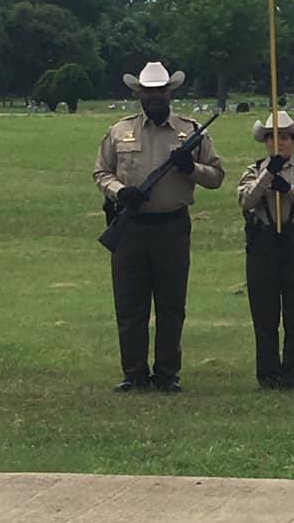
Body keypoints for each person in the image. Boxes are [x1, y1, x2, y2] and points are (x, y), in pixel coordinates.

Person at [94, 62, 224, 393]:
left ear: (169, 93)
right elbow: (101, 172)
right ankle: (134, 374)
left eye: (160, 91)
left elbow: (217, 176)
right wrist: (120, 192)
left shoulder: (192, 131)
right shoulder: (119, 131)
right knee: (129, 304)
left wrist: (191, 167)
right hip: (130, 228)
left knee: (171, 305)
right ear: (139, 94)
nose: (154, 97)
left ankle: (167, 374)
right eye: (148, 92)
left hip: (172, 227)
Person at [237, 111, 294, 390]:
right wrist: (267, 176)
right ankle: (268, 375)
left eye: (285, 137)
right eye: (273, 137)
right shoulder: (253, 170)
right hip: (263, 242)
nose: (280, 143)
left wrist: (288, 189)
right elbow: (246, 201)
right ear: (265, 141)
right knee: (264, 313)